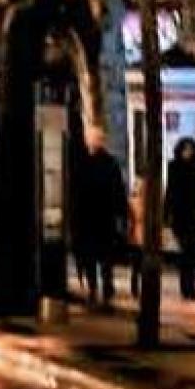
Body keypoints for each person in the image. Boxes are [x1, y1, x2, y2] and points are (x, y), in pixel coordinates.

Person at [73, 128, 128, 307]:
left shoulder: (99, 164)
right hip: (96, 217)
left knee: (100, 256)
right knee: (98, 256)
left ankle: (100, 287)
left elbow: (117, 191)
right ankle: (98, 287)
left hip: (97, 217)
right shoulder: (97, 164)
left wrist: (120, 213)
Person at [165, 137, 195, 301]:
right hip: (181, 217)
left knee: (191, 253)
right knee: (186, 252)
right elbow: (170, 191)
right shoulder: (174, 167)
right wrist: (167, 214)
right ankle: (187, 287)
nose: (187, 153)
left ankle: (189, 286)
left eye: (190, 149)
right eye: (185, 150)